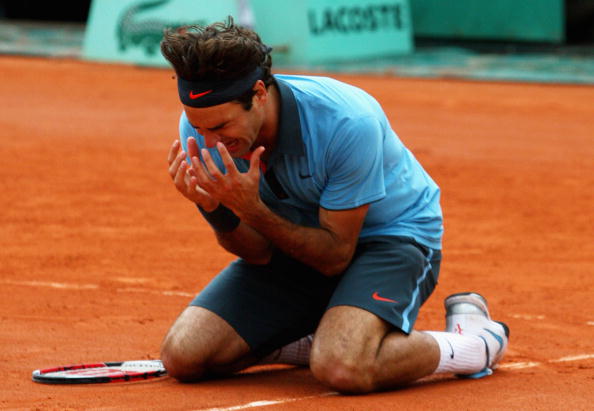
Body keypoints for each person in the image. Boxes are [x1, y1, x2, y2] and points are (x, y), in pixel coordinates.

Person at [159, 18, 509, 393]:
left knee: (342, 368)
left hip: (391, 241)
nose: (210, 141)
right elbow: (260, 254)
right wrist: (216, 209)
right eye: (200, 127)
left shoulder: (346, 121)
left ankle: (476, 343)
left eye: (221, 127)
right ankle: (330, 332)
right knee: (184, 356)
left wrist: (253, 210)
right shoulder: (198, 131)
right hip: (297, 245)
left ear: (259, 94)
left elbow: (334, 257)